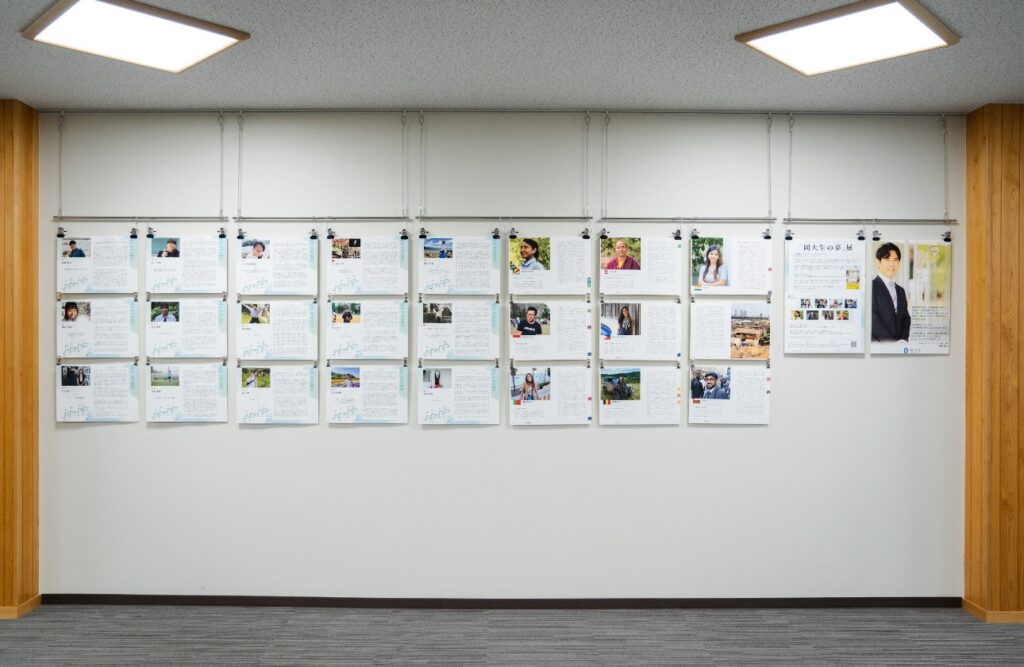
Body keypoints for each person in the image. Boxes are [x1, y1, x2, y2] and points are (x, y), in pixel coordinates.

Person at [871, 242, 911, 342]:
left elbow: (905, 318)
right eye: (887, 259)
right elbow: (873, 318)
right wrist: (892, 343)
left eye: (895, 260)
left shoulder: (900, 291)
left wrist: (902, 340)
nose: (892, 264)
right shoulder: (871, 286)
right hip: (878, 345)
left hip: (899, 347)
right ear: (878, 263)